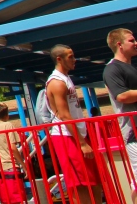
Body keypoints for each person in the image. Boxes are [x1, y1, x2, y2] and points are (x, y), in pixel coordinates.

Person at [46, 44, 102, 204]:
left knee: (93, 181)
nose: (74, 59)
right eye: (70, 56)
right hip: (66, 136)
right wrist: (82, 142)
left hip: (77, 135)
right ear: (59, 59)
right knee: (80, 184)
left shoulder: (66, 78)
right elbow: (64, 114)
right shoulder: (57, 82)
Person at [103, 28, 137, 195]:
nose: (136, 43)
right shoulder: (112, 69)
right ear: (119, 45)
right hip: (133, 134)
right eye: (131, 40)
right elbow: (122, 95)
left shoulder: (130, 67)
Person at [0, 102, 26, 204]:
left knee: (6, 199)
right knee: (18, 198)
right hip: (10, 164)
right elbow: (12, 147)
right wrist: (23, 165)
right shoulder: (8, 125)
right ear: (7, 114)